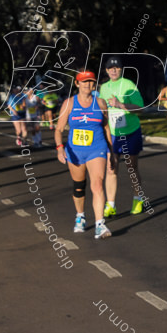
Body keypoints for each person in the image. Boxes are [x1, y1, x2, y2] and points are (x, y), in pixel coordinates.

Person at [56, 70, 114, 239]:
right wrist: (60, 148)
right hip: (75, 151)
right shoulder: (69, 103)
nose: (88, 85)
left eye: (91, 82)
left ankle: (99, 225)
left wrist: (111, 152)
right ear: (77, 83)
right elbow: (59, 129)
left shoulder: (101, 103)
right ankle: (80, 216)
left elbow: (106, 127)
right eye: (84, 81)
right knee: (79, 186)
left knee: (97, 184)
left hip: (97, 148)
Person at [99, 57, 146, 217]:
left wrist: (120, 105)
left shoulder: (128, 85)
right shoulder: (103, 88)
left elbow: (140, 108)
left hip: (131, 131)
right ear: (106, 71)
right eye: (110, 68)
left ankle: (137, 198)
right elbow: (102, 109)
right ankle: (110, 205)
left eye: (117, 67)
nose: (113, 70)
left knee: (132, 168)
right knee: (111, 168)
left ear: (121, 69)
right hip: (112, 133)